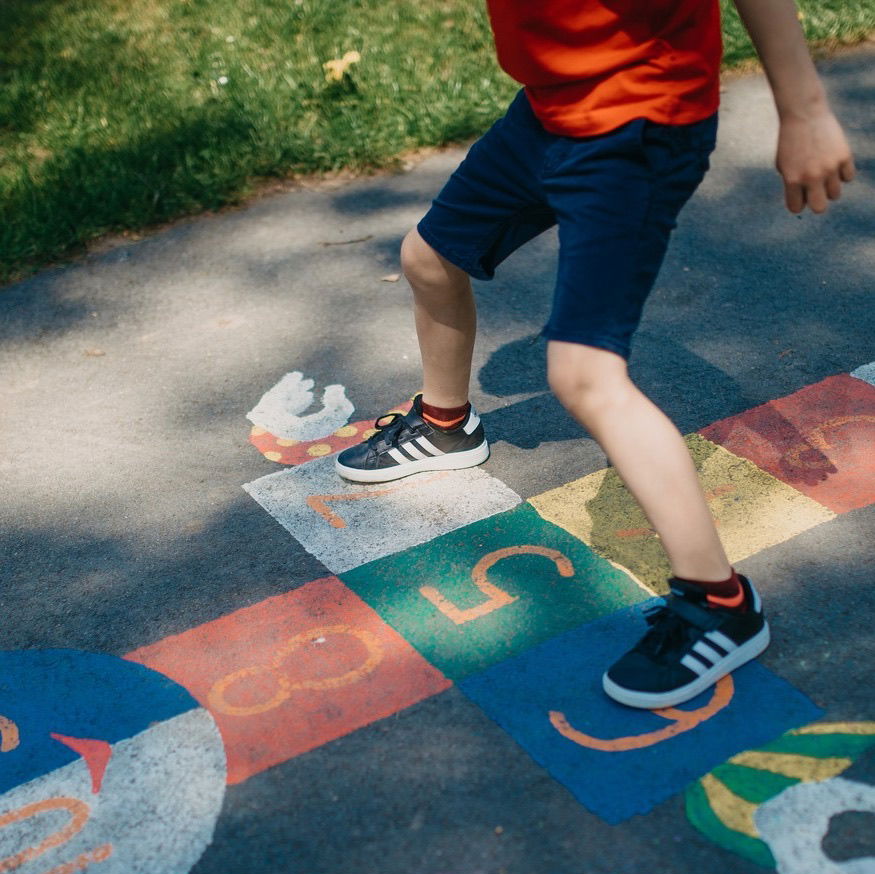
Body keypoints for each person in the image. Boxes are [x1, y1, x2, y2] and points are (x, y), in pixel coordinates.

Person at [336, 0, 855, 709]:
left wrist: (804, 112)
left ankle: (722, 604)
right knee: (429, 257)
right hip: (549, 111)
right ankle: (445, 425)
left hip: (637, 126)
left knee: (584, 377)